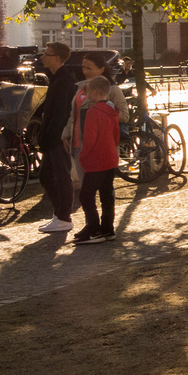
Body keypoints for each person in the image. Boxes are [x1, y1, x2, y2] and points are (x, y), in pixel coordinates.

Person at [67, 74, 120, 244]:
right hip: (110, 157)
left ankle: (94, 228)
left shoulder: (92, 112)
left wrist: (83, 156)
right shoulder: (112, 110)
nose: (87, 96)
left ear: (96, 92)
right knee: (106, 194)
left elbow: (89, 139)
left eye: (89, 93)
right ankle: (108, 228)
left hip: (96, 159)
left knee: (86, 195)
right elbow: (116, 135)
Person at [34, 42, 79, 235]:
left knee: (61, 176)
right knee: (47, 176)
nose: (42, 57)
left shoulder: (63, 82)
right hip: (53, 137)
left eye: (46, 54)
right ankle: (60, 215)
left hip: (57, 138)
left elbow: (61, 113)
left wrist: (58, 136)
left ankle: (63, 217)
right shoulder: (57, 79)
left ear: (57, 58)